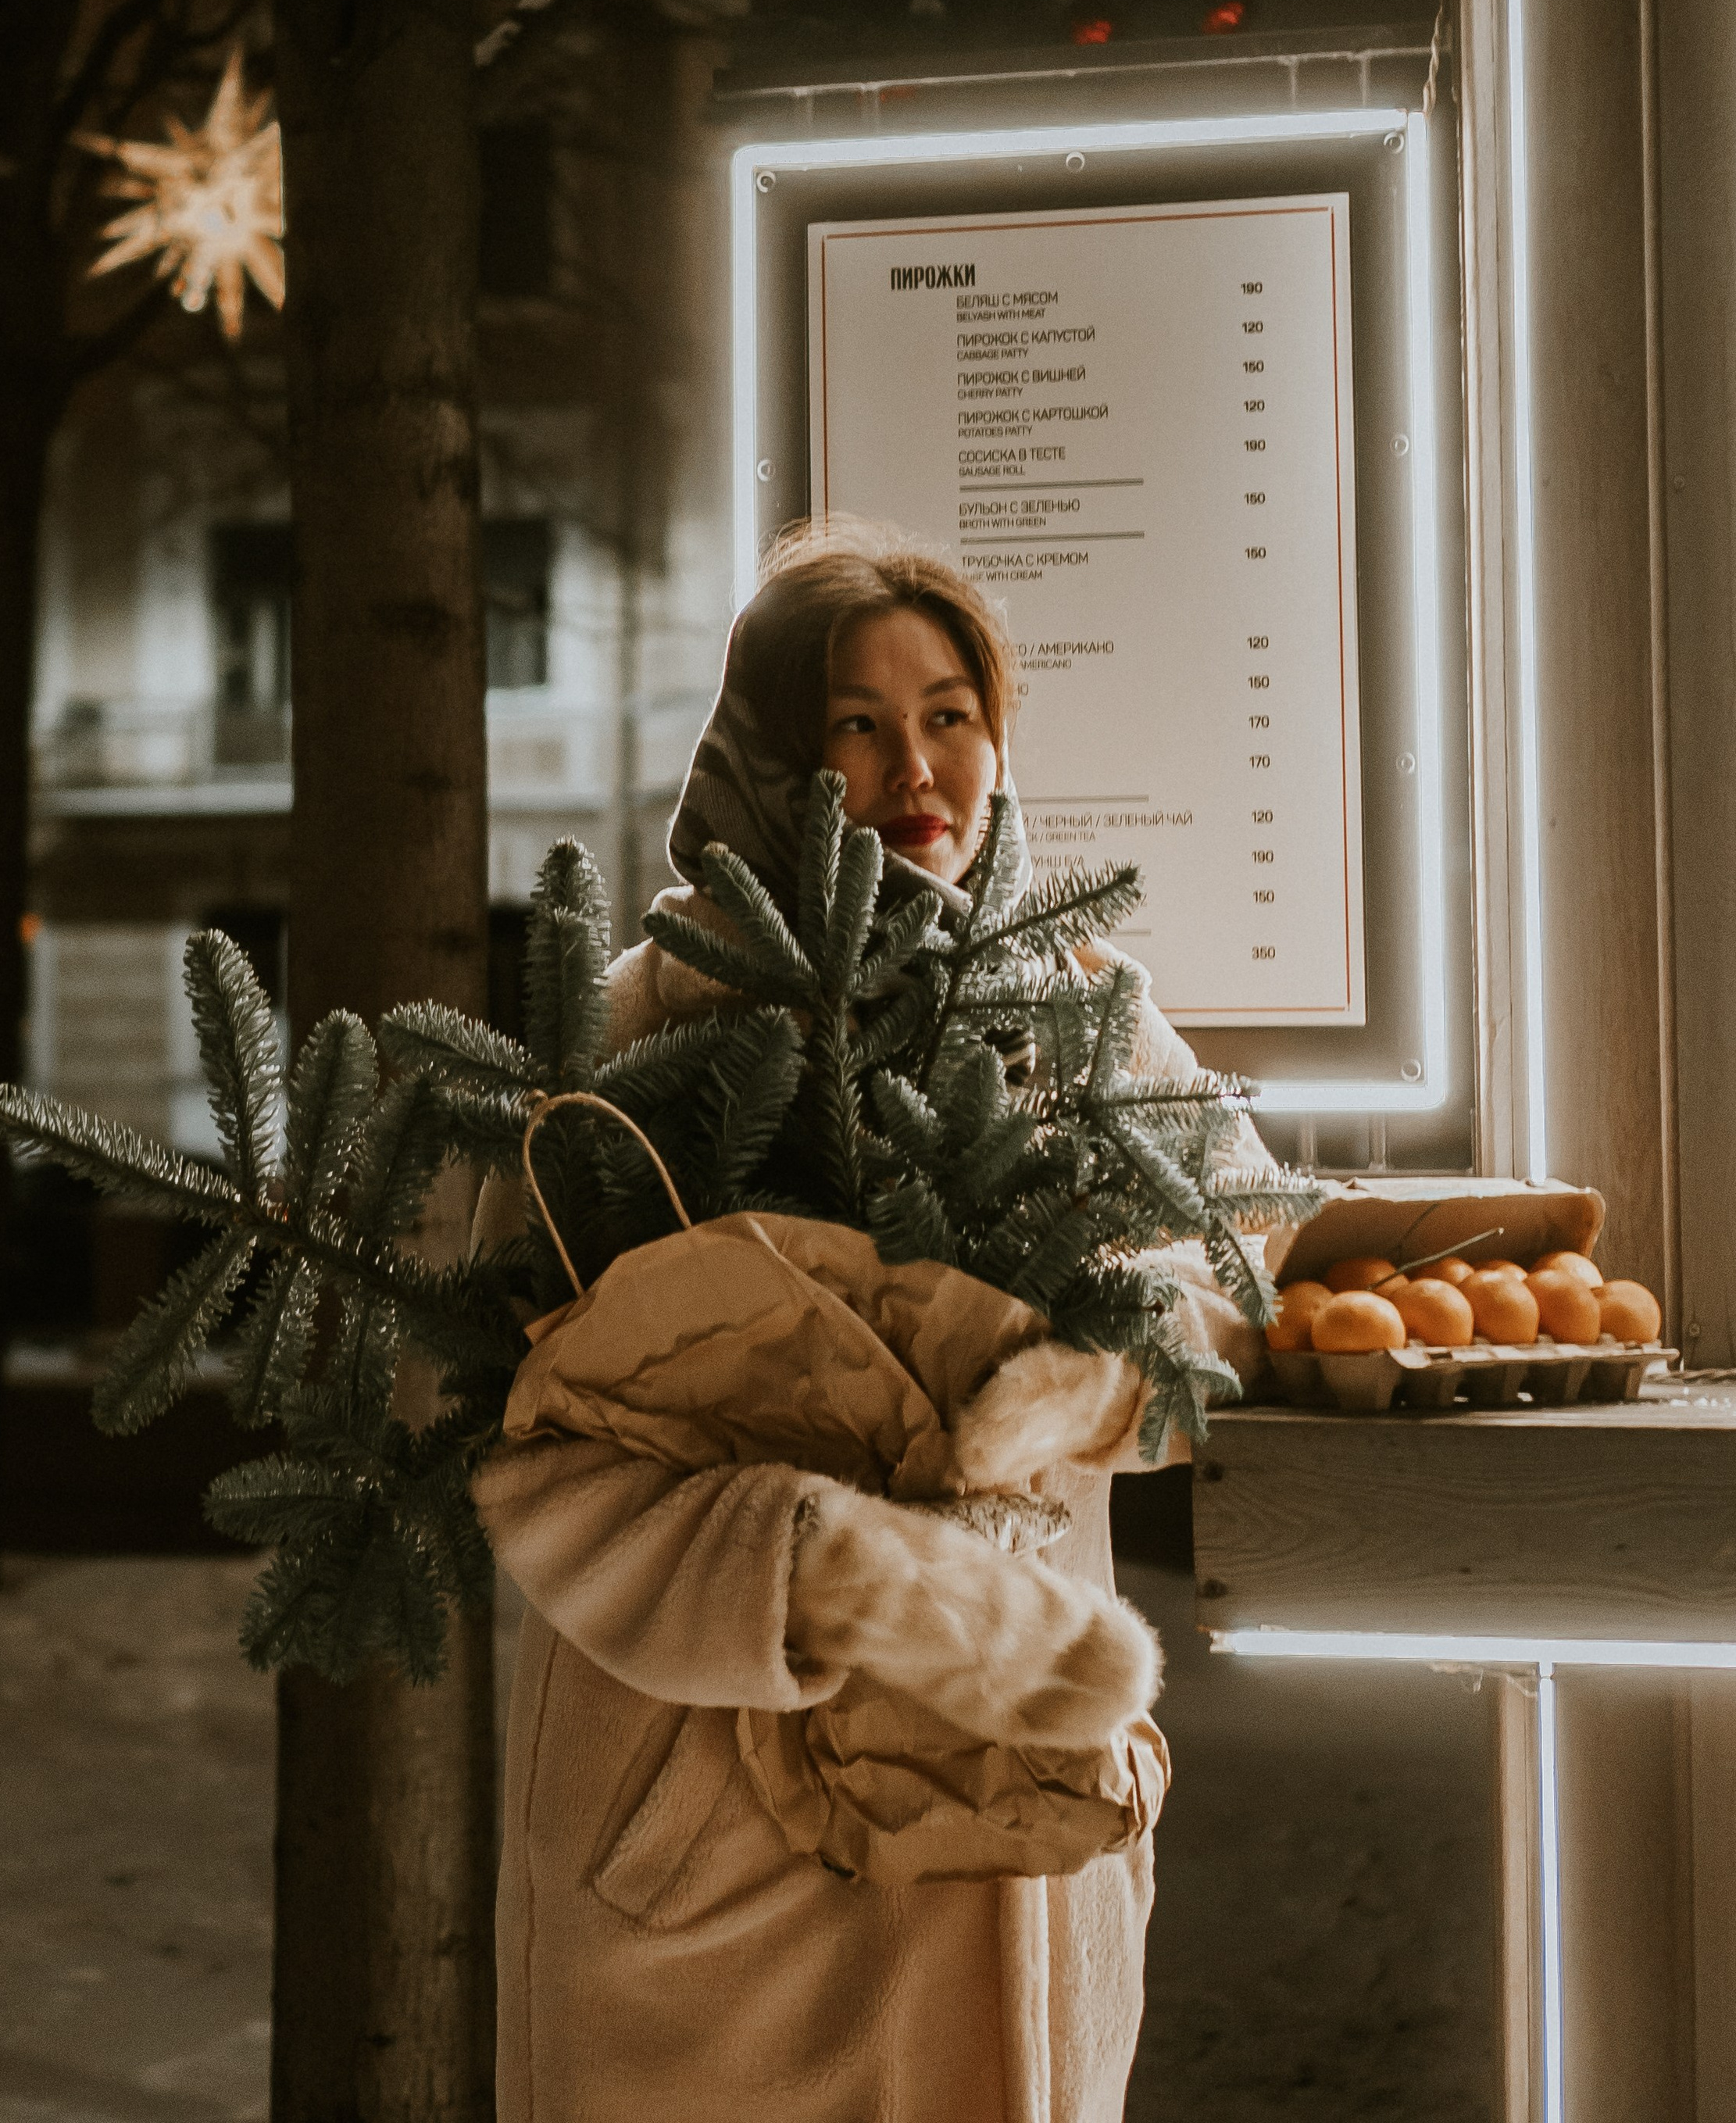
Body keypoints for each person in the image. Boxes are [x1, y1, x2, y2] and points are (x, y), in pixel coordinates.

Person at [473, 526, 1270, 2123]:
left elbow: (1243, 1260)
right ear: (772, 753)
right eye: (857, 722)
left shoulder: (1087, 1011)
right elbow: (514, 1405)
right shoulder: (644, 1022)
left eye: (950, 713)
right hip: (710, 1818)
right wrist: (816, 1565)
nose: (917, 767)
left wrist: (1092, 1382)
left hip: (1011, 1798)